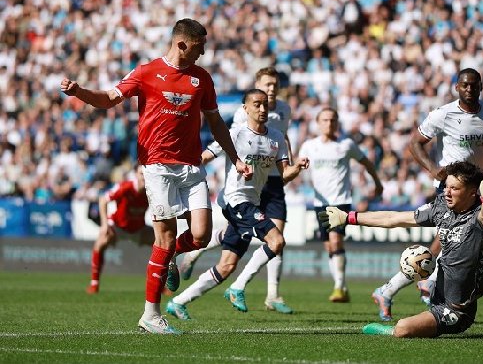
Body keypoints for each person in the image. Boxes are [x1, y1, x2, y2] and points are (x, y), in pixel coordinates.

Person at [61, 18, 250, 335]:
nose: (202, 54)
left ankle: (175, 254)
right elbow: (109, 99)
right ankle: (150, 314)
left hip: (191, 165)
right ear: (182, 44)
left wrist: (235, 157)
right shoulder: (146, 72)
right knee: (163, 237)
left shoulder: (201, 79)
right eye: (199, 47)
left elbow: (216, 123)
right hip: (157, 166)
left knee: (201, 236)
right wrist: (79, 92)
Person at [319, 161, 483, 338]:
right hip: (446, 292)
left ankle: (389, 330)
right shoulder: (440, 207)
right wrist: (349, 217)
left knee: (402, 329)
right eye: (446, 186)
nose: (447, 191)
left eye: (454, 188)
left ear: (472, 192)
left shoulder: (479, 215)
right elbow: (393, 218)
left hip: (456, 312)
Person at [371, 68, 483, 321]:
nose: (469, 89)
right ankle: (421, 284)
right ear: (457, 87)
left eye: (474, 85)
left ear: (481, 87)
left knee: (453, 242)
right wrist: (434, 169)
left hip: (479, 190)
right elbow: (414, 143)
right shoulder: (443, 114)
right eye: (464, 85)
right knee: (452, 240)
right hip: (452, 187)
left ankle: (395, 289)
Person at [165, 89, 309, 320]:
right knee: (277, 240)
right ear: (245, 108)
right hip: (236, 201)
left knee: (227, 265)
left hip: (254, 202)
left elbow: (283, 175)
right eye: (256, 104)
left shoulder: (276, 138)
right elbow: (205, 156)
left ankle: (178, 302)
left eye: (265, 105)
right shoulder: (234, 134)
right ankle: (238, 287)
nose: (262, 109)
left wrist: (297, 167)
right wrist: (180, 173)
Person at [298, 107, 383, 302]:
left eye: (333, 120)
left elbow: (367, 163)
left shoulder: (346, 144)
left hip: (340, 201)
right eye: (325, 120)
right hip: (320, 203)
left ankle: (338, 287)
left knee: (336, 241)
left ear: (337, 123)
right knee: (329, 246)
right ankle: (342, 287)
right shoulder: (309, 146)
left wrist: (377, 183)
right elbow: (297, 168)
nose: (329, 123)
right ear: (318, 123)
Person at [87, 165, 152, 294]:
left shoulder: (153, 190)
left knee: (164, 242)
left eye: (147, 174)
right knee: (101, 242)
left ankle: (161, 285)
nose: (144, 177)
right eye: (141, 173)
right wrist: (105, 225)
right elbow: (103, 201)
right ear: (135, 174)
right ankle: (94, 284)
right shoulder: (125, 187)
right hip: (118, 227)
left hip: (138, 229)